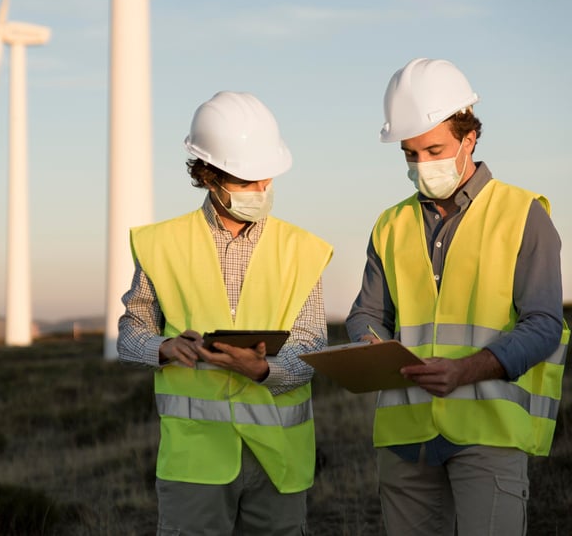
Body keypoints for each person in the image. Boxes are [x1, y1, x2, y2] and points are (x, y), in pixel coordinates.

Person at [346, 57, 569, 536]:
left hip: (489, 432)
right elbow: (367, 313)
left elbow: (544, 324)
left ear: (470, 138)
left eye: (434, 149)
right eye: (410, 154)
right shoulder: (390, 224)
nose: (422, 165)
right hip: (405, 438)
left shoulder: (523, 214)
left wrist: (465, 370)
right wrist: (370, 346)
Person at [117, 90, 333, 535]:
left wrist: (264, 371)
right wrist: (164, 348)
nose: (260, 191)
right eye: (246, 181)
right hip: (195, 464)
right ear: (208, 176)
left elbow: (311, 346)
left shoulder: (303, 250)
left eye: (266, 179)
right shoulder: (161, 245)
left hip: (279, 463)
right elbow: (129, 334)